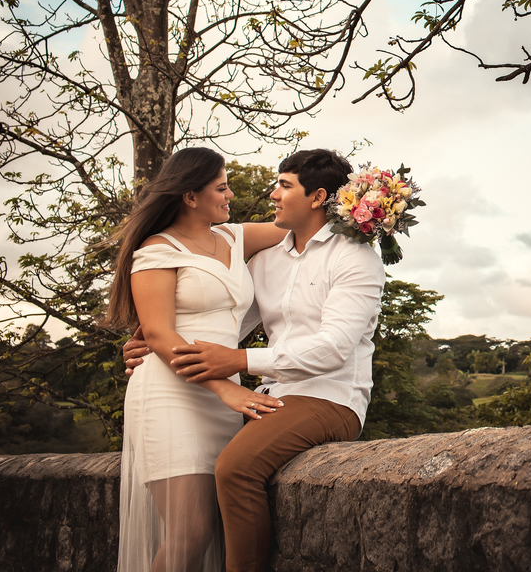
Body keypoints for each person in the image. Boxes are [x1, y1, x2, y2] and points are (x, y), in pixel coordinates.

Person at [124, 148, 385, 572]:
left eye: (284, 185)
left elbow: (334, 347)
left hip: (330, 394)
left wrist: (238, 361)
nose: (272, 194)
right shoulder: (267, 260)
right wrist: (153, 336)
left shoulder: (353, 256)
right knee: (197, 521)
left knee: (236, 468)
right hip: (268, 395)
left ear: (318, 198)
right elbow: (227, 325)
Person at [103, 147, 287, 572]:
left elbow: (303, 227)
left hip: (222, 398)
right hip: (171, 394)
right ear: (190, 196)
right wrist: (225, 387)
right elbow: (159, 334)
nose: (230, 195)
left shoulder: (235, 237)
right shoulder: (156, 250)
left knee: (214, 533)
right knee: (190, 532)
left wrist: (366, 205)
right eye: (221, 188)